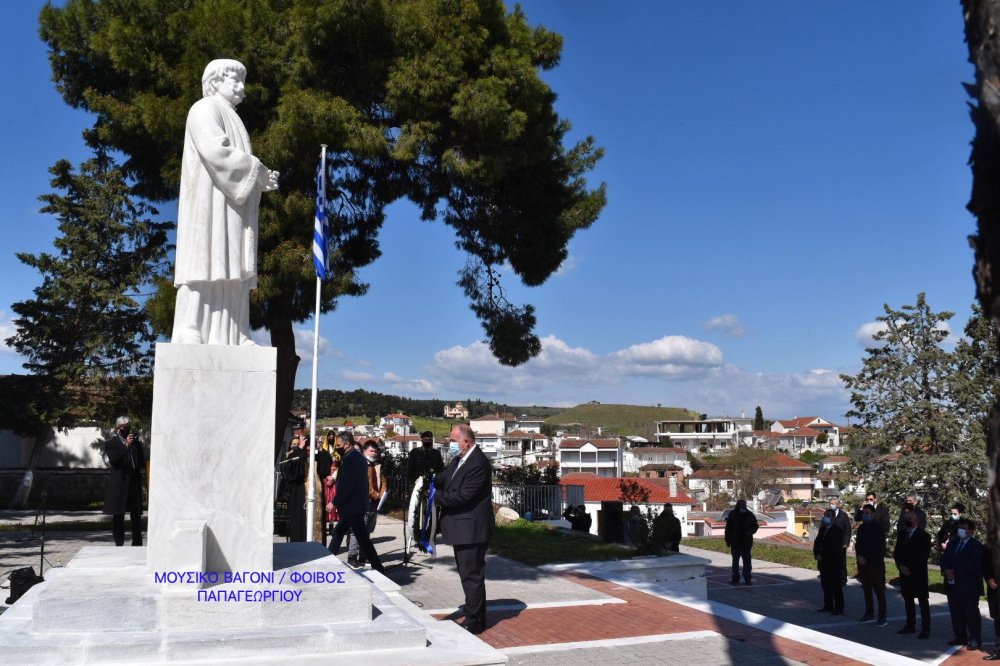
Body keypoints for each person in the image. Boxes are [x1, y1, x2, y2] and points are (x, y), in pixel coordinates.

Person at [171, 59, 279, 346]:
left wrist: (258, 178)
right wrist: (257, 171)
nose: (242, 87)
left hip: (233, 206)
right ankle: (191, 327)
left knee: (233, 263)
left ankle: (235, 332)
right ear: (216, 81)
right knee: (204, 258)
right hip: (209, 202)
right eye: (235, 80)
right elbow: (215, 151)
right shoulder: (204, 108)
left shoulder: (232, 117)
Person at [435, 424, 495, 635]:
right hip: (462, 528)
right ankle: (477, 612)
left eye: (453, 440)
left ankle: (475, 620)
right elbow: (445, 477)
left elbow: (464, 496)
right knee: (468, 574)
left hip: (472, 529)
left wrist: (437, 498)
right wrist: (429, 481)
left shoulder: (478, 463)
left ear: (466, 442)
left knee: (471, 575)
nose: (450, 444)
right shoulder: (460, 459)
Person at [327, 433, 385, 573]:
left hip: (352, 506)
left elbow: (347, 485)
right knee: (339, 532)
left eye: (339, 445)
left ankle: (379, 567)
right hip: (355, 505)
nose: (337, 447)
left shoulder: (351, 459)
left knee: (362, 539)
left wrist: (334, 502)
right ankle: (327, 560)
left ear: (347, 444)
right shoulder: (357, 457)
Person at [940, 518, 985, 651]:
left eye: (964, 528)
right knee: (956, 613)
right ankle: (960, 637)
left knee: (971, 615)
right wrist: (946, 570)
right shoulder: (953, 543)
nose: (961, 531)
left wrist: (954, 572)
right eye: (960, 528)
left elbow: (973, 564)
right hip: (952, 584)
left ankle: (975, 639)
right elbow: (944, 558)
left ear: (971, 531)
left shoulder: (977, 546)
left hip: (969, 586)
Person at [103, 416, 145, 547]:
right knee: (118, 515)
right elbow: (114, 460)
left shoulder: (136, 444)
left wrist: (132, 445)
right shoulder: (111, 443)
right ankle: (119, 543)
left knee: (136, 514)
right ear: (118, 429)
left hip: (133, 483)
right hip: (119, 483)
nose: (127, 429)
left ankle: (137, 543)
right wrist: (125, 445)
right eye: (124, 427)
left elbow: (141, 463)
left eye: (128, 427)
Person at [894, 507, 932, 639]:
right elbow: (897, 552)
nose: (908, 521)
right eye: (906, 519)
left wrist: (910, 568)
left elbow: (923, 555)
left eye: (910, 519)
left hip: (918, 574)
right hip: (904, 573)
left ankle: (925, 628)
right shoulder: (902, 534)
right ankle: (910, 625)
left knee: (922, 602)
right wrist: (900, 566)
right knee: (908, 600)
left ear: (916, 520)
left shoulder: (924, 536)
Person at [346, 441, 386, 569]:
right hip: (361, 502)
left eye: (375, 451)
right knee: (357, 531)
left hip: (374, 504)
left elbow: (383, 480)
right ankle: (352, 556)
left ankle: (363, 556)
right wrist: (375, 494)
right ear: (364, 451)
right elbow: (365, 484)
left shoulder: (377, 465)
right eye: (371, 451)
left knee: (367, 530)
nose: (374, 454)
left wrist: (383, 493)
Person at [855, 504, 888, 626]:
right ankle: (869, 612)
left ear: (873, 514)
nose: (865, 515)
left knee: (879, 591)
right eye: (864, 513)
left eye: (868, 513)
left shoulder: (879, 528)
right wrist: (859, 557)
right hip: (862, 564)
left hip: (875, 564)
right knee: (866, 589)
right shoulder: (862, 528)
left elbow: (879, 548)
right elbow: (858, 545)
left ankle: (882, 616)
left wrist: (866, 559)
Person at [815, 509, 846, 615]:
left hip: (833, 562)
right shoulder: (823, 528)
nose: (825, 517)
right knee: (826, 585)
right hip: (823, 562)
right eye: (824, 515)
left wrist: (823, 554)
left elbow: (836, 548)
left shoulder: (837, 530)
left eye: (827, 516)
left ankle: (839, 607)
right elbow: (817, 541)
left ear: (833, 518)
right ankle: (828, 605)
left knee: (836, 586)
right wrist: (817, 554)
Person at [724, 499, 759, 585]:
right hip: (735, 542)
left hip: (746, 542)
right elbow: (728, 529)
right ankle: (735, 578)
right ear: (738, 505)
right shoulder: (732, 514)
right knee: (735, 561)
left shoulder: (750, 515)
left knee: (747, 561)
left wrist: (750, 532)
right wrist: (728, 540)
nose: (743, 506)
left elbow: (755, 526)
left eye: (744, 505)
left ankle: (747, 578)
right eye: (742, 505)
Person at [283, 436, 308, 542]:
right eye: (294, 444)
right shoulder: (288, 457)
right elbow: (292, 473)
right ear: (290, 446)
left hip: (301, 488)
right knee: (296, 517)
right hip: (293, 489)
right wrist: (300, 448)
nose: (296, 446)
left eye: (298, 444)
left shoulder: (301, 454)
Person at [983, 546, 1000, 661]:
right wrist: (988, 578)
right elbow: (984, 564)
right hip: (995, 589)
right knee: (998, 619)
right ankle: (998, 650)